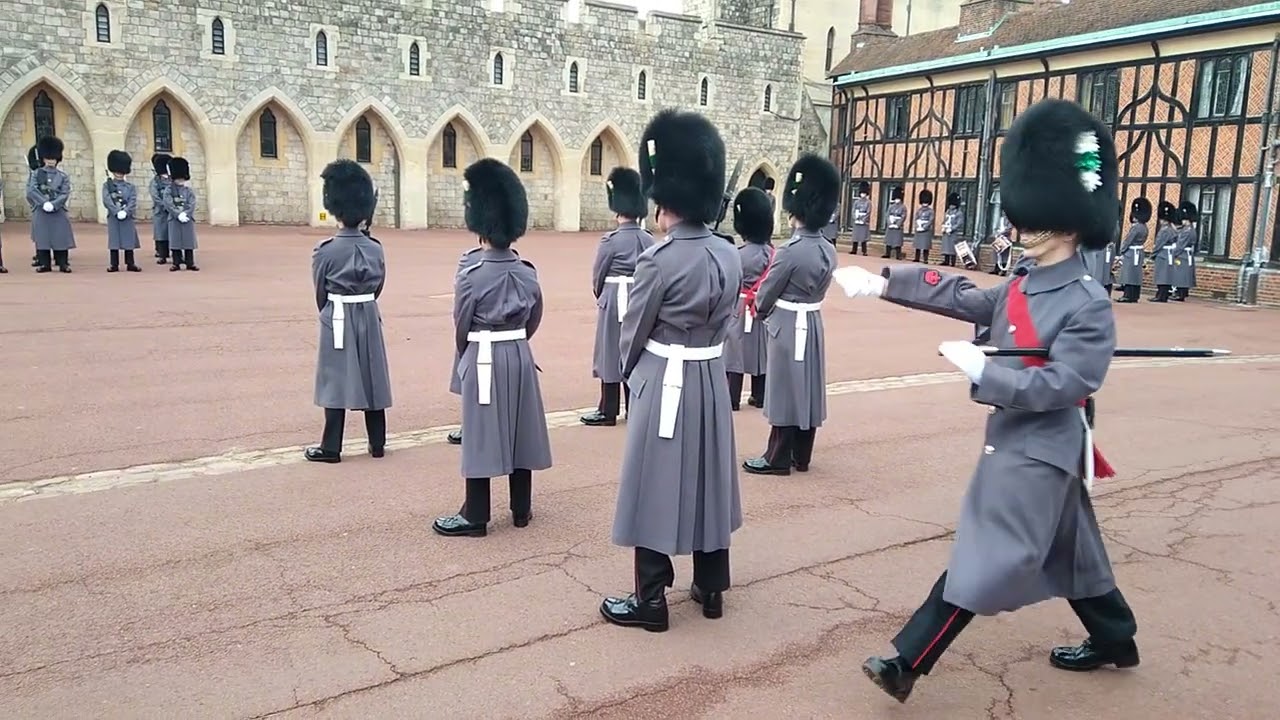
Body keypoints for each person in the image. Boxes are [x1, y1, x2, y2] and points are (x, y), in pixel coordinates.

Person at [834, 98, 1137, 705]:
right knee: (1071, 548)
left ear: (1070, 221)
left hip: (1040, 450)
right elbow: (964, 296)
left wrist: (987, 373)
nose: (1022, 227)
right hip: (1026, 445)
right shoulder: (1025, 284)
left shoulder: (1087, 302)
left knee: (987, 552)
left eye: (1035, 217)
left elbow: (1067, 385)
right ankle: (1116, 637)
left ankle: (906, 662)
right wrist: (885, 282)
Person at [600, 109, 743, 632]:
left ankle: (651, 601)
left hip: (666, 377)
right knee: (708, 479)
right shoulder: (729, 256)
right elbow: (728, 320)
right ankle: (710, 589)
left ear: (665, 204)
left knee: (654, 483)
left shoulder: (656, 261)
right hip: (709, 376)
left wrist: (633, 378)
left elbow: (632, 333)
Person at [433, 158, 552, 537]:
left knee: (482, 433)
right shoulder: (528, 271)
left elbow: (461, 325)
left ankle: (477, 515)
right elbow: (535, 317)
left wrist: (471, 355)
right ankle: (521, 509)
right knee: (520, 429)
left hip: (483, 355)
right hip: (519, 353)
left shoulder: (472, 275)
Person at [740, 154, 838, 476]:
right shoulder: (828, 249)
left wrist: (763, 313)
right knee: (807, 388)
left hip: (786, 324)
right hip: (812, 322)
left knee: (783, 389)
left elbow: (767, 292)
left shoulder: (792, 251)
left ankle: (777, 457)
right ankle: (802, 455)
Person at [304, 160, 393, 464]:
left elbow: (320, 292)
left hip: (337, 316)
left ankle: (331, 448)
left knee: (335, 380)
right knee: (373, 376)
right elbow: (379, 284)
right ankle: (377, 443)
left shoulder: (326, 250)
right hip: (368, 312)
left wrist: (329, 312)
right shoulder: (375, 248)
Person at [581, 166, 655, 427]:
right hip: (639, 297)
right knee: (635, 350)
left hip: (613, 298)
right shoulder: (649, 240)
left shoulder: (609, 241)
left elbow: (598, 278)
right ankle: (634, 408)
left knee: (610, 353)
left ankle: (607, 410)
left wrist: (603, 297)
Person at [724, 186, 774, 411]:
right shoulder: (772, 253)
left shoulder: (738, 254)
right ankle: (759, 394)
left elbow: (729, 283)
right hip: (761, 307)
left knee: (734, 351)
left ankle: (732, 397)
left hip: (740, 305)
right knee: (760, 351)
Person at [27, 136, 76, 273]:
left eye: (53, 159)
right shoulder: (37, 174)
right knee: (43, 238)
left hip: (58, 210)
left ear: (57, 159)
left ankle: (63, 263)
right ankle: (45, 264)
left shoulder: (62, 176)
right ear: (43, 158)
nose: (50, 161)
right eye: (48, 158)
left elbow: (64, 193)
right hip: (41, 210)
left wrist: (54, 204)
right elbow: (32, 190)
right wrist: (43, 203)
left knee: (60, 237)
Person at [103, 150, 142, 273]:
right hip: (114, 217)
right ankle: (114, 264)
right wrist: (116, 211)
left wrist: (126, 211)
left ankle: (130, 263)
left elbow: (133, 200)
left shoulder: (130, 187)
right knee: (114, 241)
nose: (119, 174)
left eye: (121, 171)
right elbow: (107, 200)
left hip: (127, 217)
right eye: (117, 171)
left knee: (128, 240)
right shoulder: (107, 185)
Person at [162, 157, 199, 271]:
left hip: (187, 219)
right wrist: (178, 214)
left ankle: (190, 262)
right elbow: (168, 203)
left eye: (182, 178)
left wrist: (186, 214)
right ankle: (176, 263)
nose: (180, 180)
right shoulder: (169, 190)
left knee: (188, 242)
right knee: (175, 242)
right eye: (178, 178)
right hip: (174, 219)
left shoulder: (188, 191)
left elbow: (191, 203)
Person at [1115, 197, 1150, 303]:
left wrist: (1121, 250)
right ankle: (1135, 295)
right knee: (1136, 275)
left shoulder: (1135, 227)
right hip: (1139, 252)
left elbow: (1128, 240)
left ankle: (1128, 295)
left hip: (1131, 253)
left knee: (1129, 275)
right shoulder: (1144, 227)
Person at [1149, 200, 1178, 302]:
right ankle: (1163, 295)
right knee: (1167, 275)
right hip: (1169, 254)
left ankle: (1160, 295)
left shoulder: (1164, 230)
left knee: (1161, 275)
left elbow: (1159, 244)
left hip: (1163, 254)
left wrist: (1153, 254)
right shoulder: (1173, 229)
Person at [1171, 200, 1198, 301]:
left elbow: (1180, 245)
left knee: (1181, 274)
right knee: (1184, 274)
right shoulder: (1189, 229)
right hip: (1187, 254)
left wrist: (1173, 254)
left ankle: (1180, 294)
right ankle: (1181, 292)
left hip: (1183, 255)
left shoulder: (1187, 231)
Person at [149, 153, 171, 264]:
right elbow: (155, 196)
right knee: (161, 233)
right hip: (160, 211)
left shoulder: (172, 179)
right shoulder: (155, 181)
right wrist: (164, 205)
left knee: (172, 232)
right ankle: (162, 254)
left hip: (172, 211)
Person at [939, 192, 964, 267]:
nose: (951, 206)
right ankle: (946, 261)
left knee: (952, 248)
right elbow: (944, 220)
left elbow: (959, 223)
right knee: (946, 247)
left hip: (953, 233)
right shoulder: (947, 212)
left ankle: (952, 262)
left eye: (952, 205)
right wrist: (943, 226)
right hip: (946, 232)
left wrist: (952, 228)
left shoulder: (959, 213)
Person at [911, 189, 935, 263]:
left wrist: (924, 227)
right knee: (918, 246)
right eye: (924, 202)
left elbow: (931, 220)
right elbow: (916, 218)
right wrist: (917, 225)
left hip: (926, 230)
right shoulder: (919, 210)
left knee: (925, 246)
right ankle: (917, 258)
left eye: (926, 202)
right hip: (919, 228)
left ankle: (925, 259)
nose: (924, 204)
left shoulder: (931, 211)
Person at [882, 186, 905, 260]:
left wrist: (897, 224)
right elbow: (887, 215)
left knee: (897, 242)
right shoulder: (891, 206)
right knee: (889, 241)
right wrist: (890, 223)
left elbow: (903, 216)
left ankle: (898, 255)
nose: (897, 200)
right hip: (891, 225)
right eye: (896, 198)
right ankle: (887, 253)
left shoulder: (903, 207)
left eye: (898, 199)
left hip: (898, 227)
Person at [988, 211, 1014, 275]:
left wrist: (1001, 233)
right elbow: (996, 227)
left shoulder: (1010, 219)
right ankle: (996, 268)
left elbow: (1009, 229)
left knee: (1005, 255)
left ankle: (1004, 270)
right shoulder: (1001, 219)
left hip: (1006, 238)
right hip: (999, 238)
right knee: (997, 252)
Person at [850, 181, 871, 256]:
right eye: (862, 193)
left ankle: (864, 251)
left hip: (864, 222)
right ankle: (854, 249)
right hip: (857, 221)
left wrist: (863, 220)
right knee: (855, 237)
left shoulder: (868, 202)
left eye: (864, 193)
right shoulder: (856, 202)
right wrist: (856, 218)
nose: (863, 195)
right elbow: (853, 211)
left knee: (863, 238)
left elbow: (868, 212)